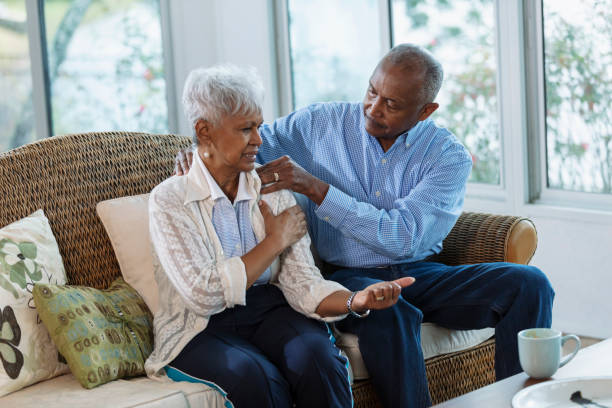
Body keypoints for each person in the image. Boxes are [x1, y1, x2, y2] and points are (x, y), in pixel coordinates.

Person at [175, 44, 555, 408]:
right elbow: (247, 143)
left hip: (421, 273)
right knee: (387, 310)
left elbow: (402, 237)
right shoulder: (318, 125)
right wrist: (199, 155)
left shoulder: (447, 156)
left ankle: (519, 402)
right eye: (371, 92)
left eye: (392, 104)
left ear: (426, 111)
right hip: (350, 277)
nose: (373, 108)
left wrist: (317, 188)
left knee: (529, 284)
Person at [145, 64, 415, 408]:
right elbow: (204, 294)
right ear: (204, 131)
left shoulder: (272, 192)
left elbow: (303, 283)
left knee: (319, 359)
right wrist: (274, 241)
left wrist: (355, 300)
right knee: (254, 377)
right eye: (246, 129)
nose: (259, 139)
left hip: (268, 309)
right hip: (198, 327)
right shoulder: (169, 199)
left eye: (258, 126)